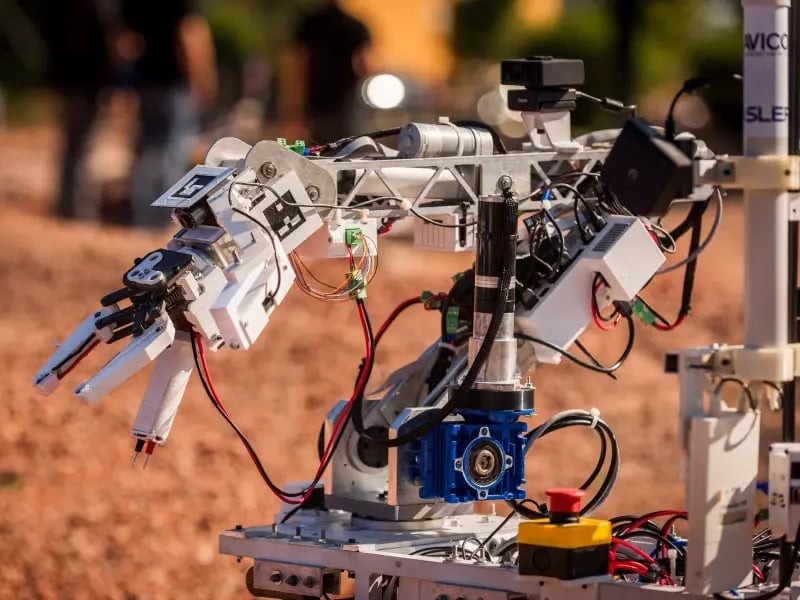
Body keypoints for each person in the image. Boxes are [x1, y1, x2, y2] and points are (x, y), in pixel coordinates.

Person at [120, 0, 217, 228]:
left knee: (147, 153)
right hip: (174, 85)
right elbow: (190, 34)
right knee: (174, 153)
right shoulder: (180, 7)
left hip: (145, 84)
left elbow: (128, 43)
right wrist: (203, 80)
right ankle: (167, 219)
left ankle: (143, 218)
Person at [39, 0, 114, 221]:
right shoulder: (96, 7)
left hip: (67, 81)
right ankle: (78, 213)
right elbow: (103, 41)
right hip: (86, 84)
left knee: (72, 148)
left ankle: (67, 208)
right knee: (81, 150)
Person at [278, 1, 372, 144]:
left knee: (316, 151)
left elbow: (298, 70)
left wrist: (292, 114)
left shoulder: (310, 25)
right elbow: (364, 66)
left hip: (317, 105)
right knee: (348, 149)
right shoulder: (354, 27)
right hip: (346, 105)